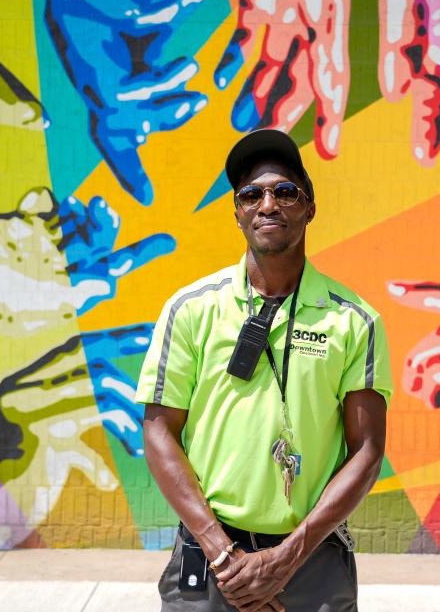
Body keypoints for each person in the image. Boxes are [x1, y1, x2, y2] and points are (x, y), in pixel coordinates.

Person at [136, 129, 393, 611]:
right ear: (237, 214)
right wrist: (224, 553)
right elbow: (158, 433)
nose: (268, 204)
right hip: (209, 555)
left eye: (285, 192)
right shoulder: (190, 310)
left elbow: (368, 452)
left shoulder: (355, 320)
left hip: (312, 556)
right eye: (251, 194)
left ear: (309, 207)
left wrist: (285, 559)